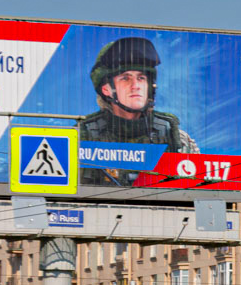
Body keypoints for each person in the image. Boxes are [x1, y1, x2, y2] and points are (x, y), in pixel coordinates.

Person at [78, 36, 199, 185]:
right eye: (125, 78)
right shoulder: (82, 137)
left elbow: (196, 189)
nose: (135, 86)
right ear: (106, 89)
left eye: (141, 78)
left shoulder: (175, 138)